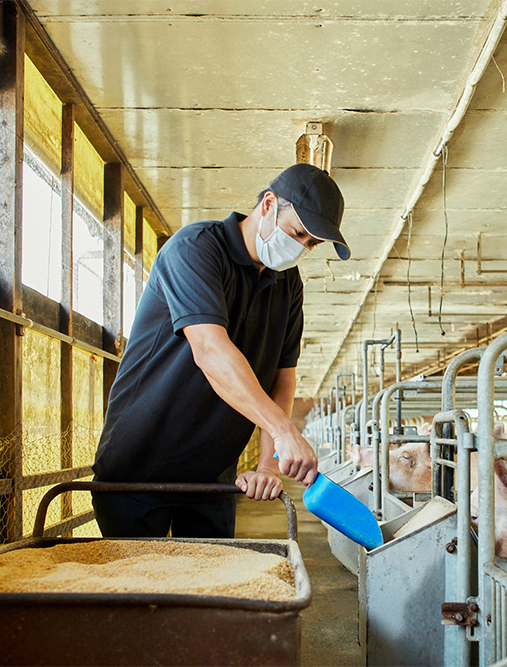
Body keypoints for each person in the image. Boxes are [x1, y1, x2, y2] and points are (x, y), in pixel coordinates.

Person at [90, 163, 349, 539]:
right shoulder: (195, 249)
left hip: (213, 476)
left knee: (211, 592)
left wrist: (268, 465)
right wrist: (283, 430)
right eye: (298, 233)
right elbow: (210, 350)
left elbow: (283, 377)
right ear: (268, 204)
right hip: (139, 466)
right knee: (141, 590)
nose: (302, 248)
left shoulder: (287, 285)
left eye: (311, 244)